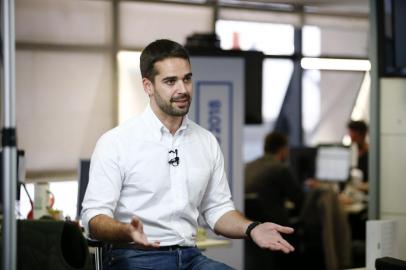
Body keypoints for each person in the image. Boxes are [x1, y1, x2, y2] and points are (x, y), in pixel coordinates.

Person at [81, 39, 295, 270]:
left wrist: (252, 229)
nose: (182, 89)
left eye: (187, 79)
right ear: (148, 86)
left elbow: (217, 210)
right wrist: (126, 231)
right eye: (170, 81)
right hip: (135, 256)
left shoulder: (206, 141)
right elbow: (93, 218)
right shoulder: (116, 142)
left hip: (191, 256)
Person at [244, 131, 303, 270]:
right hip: (276, 227)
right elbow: (299, 199)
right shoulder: (280, 168)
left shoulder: (249, 165)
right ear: (283, 150)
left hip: (252, 227)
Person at [347, 120, 369, 192]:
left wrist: (359, 186)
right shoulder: (349, 153)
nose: (352, 139)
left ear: (363, 135)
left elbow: (376, 183)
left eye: (354, 137)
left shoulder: (371, 156)